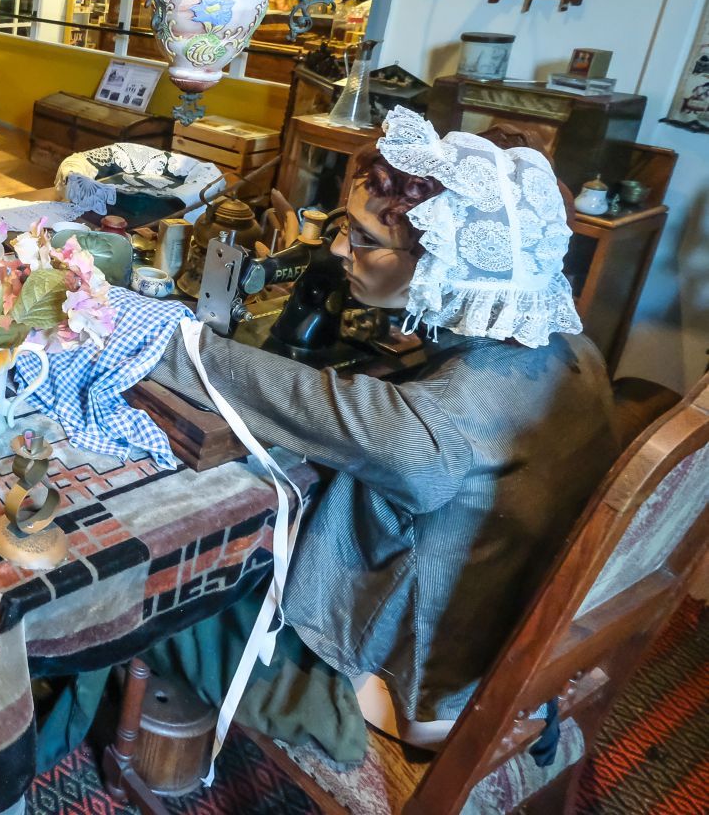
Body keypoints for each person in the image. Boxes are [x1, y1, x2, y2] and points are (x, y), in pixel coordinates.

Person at [36, 108, 619, 770]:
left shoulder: (434, 429)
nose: (341, 251)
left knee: (127, 587)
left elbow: (300, 399)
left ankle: (38, 747)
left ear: (444, 264)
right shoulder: (575, 349)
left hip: (374, 695)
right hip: (500, 658)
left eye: (367, 240)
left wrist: (150, 330)